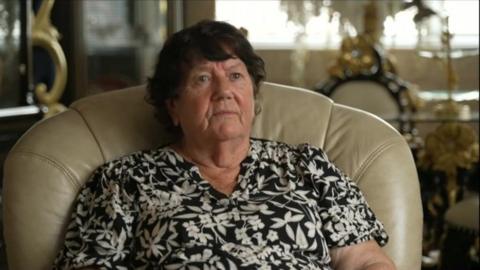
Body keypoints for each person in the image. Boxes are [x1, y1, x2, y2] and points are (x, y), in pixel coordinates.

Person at [53, 20, 396, 270]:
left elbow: (366, 262)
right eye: (202, 79)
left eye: (235, 75)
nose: (223, 91)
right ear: (173, 105)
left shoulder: (309, 167)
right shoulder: (122, 182)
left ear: (253, 93)